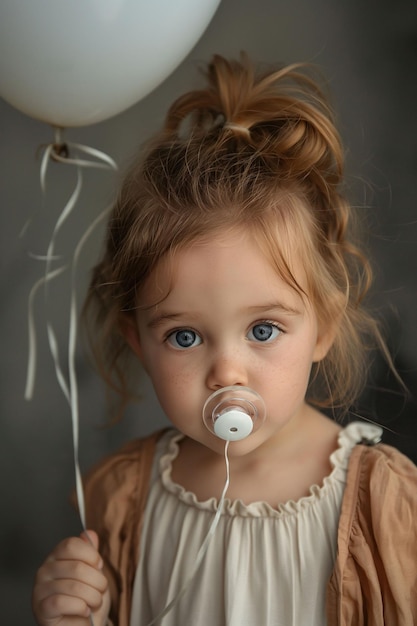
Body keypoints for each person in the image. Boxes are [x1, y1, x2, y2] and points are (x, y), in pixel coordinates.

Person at [32, 54, 417, 626]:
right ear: (137, 341)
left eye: (263, 330)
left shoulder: (379, 504)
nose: (227, 372)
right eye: (184, 336)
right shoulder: (125, 500)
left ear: (324, 328)